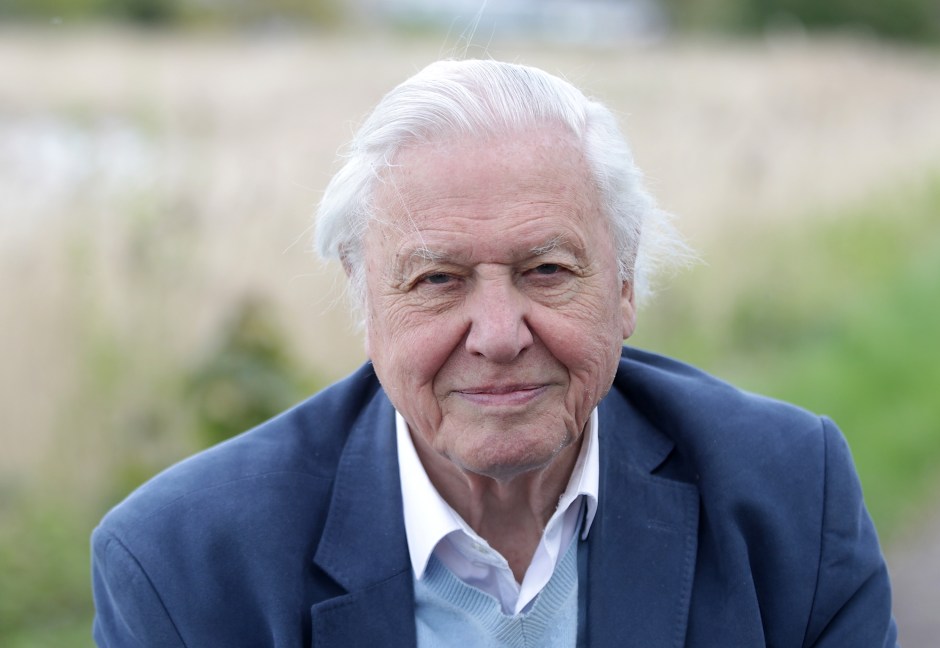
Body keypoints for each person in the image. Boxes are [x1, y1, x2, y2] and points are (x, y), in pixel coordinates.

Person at [91, 59, 898, 647]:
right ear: (364, 299)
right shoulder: (183, 563)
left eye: (547, 271)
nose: (500, 334)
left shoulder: (792, 493)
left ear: (623, 286)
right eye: (438, 279)